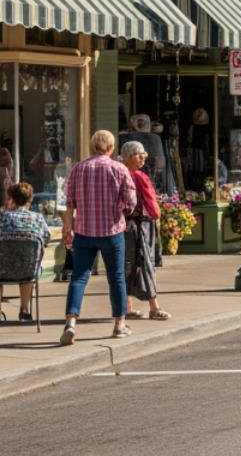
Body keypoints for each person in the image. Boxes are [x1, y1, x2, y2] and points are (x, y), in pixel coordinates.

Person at [61, 129, 136, 345]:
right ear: (111, 148)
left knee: (78, 277)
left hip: (84, 231)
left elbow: (69, 202)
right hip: (112, 231)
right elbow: (131, 201)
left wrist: (68, 227)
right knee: (116, 278)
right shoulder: (119, 168)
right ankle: (119, 324)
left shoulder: (78, 168)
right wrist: (124, 209)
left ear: (92, 146)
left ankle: (71, 322)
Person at [0, 181, 51, 322]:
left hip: (0, 270)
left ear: (10, 199)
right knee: (27, 265)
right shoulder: (38, 218)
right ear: (30, 200)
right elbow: (46, 237)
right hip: (28, 270)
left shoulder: (1, 217)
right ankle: (25, 310)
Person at [120, 141, 169, 320]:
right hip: (141, 225)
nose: (142, 159)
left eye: (143, 156)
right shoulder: (138, 177)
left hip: (126, 225)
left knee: (128, 264)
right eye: (138, 155)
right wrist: (157, 219)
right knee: (145, 263)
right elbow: (151, 204)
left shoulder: (121, 174)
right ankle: (154, 307)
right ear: (127, 157)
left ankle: (127, 306)